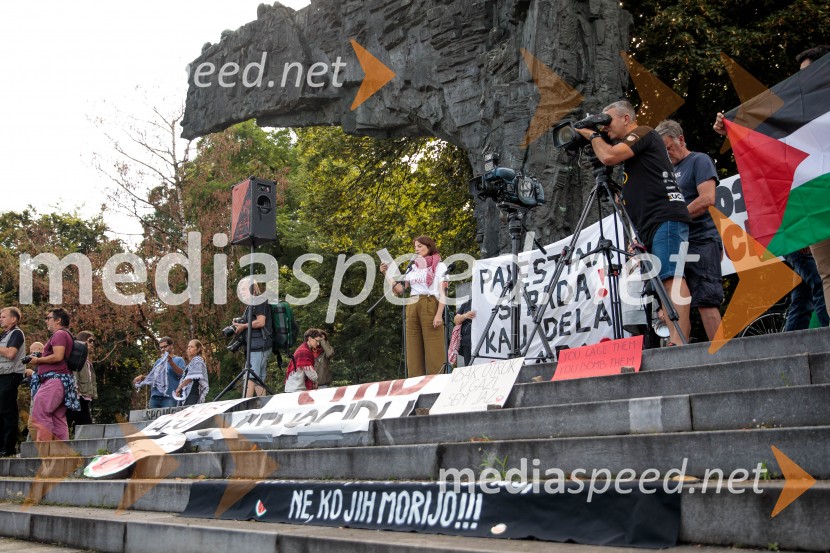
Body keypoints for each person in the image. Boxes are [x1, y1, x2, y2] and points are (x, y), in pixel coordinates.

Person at [713, 44, 830, 326]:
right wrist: (732, 123)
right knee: (826, 274)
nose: (803, 81)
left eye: (809, 73)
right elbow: (765, 131)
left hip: (817, 201)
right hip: (815, 203)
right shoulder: (796, 111)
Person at [575, 100, 692, 346]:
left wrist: (594, 134)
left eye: (608, 121)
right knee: (660, 281)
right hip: (648, 223)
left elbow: (608, 156)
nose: (605, 128)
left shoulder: (644, 132)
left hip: (665, 216)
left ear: (626, 119)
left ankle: (679, 343)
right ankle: (673, 341)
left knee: (670, 278)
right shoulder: (635, 151)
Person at [655, 119, 724, 341]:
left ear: (681, 139)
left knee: (706, 301)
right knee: (673, 301)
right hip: (674, 242)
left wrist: (674, 217)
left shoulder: (699, 160)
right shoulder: (663, 172)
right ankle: (676, 352)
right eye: (662, 152)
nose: (667, 155)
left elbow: (707, 198)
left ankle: (726, 358)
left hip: (701, 239)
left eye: (669, 148)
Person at [380, 235, 449, 375]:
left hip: (430, 302)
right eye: (415, 247)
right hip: (412, 304)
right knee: (412, 347)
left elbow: (443, 292)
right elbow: (399, 290)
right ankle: (415, 382)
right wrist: (386, 273)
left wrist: (438, 315)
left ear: (429, 246)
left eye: (420, 246)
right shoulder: (413, 267)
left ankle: (436, 380)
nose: (416, 249)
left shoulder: (440, 266)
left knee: (433, 347)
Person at [26, 308, 80, 442]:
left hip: (54, 380)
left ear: (58, 320)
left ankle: (45, 449)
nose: (46, 321)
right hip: (60, 380)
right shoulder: (64, 334)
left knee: (40, 411)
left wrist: (37, 360)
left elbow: (58, 356)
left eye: (48, 318)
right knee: (57, 418)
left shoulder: (59, 334)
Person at [232, 279, 272, 397]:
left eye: (244, 289)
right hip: (257, 345)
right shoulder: (252, 305)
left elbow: (260, 322)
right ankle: (263, 405)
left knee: (251, 377)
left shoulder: (259, 301)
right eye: (240, 290)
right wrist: (240, 321)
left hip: (259, 345)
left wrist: (243, 326)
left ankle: (244, 406)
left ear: (253, 289)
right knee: (258, 379)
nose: (242, 292)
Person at [0, 307, 26, 456]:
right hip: (3, 375)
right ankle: (2, 446)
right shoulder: (5, 334)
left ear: (13, 319)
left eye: (3, 317)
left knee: (7, 411)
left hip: (10, 375)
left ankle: (8, 447)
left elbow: (11, 353)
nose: (0, 319)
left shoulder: (16, 333)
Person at [133, 337, 185, 409]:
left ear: (171, 346)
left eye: (165, 346)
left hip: (169, 397)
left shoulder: (179, 359)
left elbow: (182, 374)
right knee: (153, 420)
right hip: (155, 397)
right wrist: (142, 378)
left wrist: (171, 362)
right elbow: (154, 378)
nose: (163, 349)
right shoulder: (158, 361)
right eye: (161, 348)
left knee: (168, 419)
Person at [67, 331, 97, 429]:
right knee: (68, 422)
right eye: (90, 341)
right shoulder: (77, 358)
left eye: (93, 341)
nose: (92, 344)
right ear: (82, 341)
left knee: (85, 425)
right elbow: (74, 376)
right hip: (76, 397)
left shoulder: (87, 361)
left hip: (84, 397)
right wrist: (76, 392)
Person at [284, 329, 322, 393]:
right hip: (296, 388)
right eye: (317, 340)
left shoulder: (303, 349)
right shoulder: (304, 351)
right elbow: (309, 371)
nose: (318, 344)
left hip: (295, 387)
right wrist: (315, 380)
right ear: (309, 338)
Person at [174, 340, 209, 405]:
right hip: (188, 393)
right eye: (188, 347)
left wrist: (179, 388)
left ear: (198, 349)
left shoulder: (198, 360)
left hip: (193, 394)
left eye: (192, 347)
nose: (189, 349)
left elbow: (190, 378)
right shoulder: (192, 362)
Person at [451, 300, 476, 367]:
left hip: (484, 342)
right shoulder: (467, 303)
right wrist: (465, 316)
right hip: (467, 342)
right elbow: (456, 321)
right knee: (469, 368)